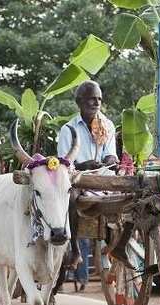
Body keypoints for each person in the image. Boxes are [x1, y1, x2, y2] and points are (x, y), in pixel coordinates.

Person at [57, 80, 119, 289]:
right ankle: (75, 249)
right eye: (92, 98)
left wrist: (110, 159)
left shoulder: (107, 125)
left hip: (103, 180)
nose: (96, 102)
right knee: (72, 197)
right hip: (77, 180)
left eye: (99, 99)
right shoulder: (68, 129)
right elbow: (65, 165)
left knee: (128, 198)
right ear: (80, 101)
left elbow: (111, 154)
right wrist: (83, 165)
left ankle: (114, 247)